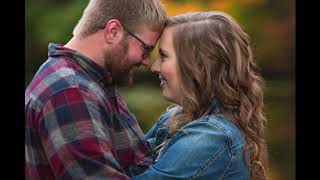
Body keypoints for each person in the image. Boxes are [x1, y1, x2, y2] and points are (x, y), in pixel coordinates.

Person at [25, 0, 167, 179]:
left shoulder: (93, 81)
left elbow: (136, 157)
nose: (147, 62)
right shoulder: (70, 91)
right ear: (113, 32)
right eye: (146, 49)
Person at [132, 11, 268, 180]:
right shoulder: (175, 117)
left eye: (164, 56)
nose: (155, 67)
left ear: (199, 66)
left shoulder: (212, 137)